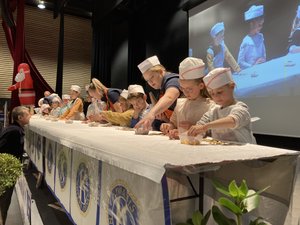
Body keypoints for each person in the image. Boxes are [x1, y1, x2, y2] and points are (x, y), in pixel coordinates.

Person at [188, 67, 256, 144]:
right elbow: (200, 127)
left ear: (232, 87)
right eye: (212, 94)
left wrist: (205, 127)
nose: (216, 97)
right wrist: (191, 133)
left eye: (219, 92)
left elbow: (232, 121)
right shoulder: (213, 111)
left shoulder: (240, 108)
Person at [160, 57, 214, 139]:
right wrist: (169, 126)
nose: (185, 92)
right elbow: (173, 123)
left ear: (201, 86)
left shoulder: (211, 106)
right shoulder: (180, 103)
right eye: (182, 88)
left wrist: (194, 128)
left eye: (189, 89)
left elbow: (215, 132)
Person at [0, 106, 31, 225]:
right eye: (27, 114)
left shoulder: (14, 129)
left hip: (8, 168)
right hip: (6, 170)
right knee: (4, 200)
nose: (30, 116)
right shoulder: (14, 131)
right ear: (20, 117)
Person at [135, 55, 181, 131]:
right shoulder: (160, 88)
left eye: (152, 77)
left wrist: (151, 114)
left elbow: (170, 97)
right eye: (147, 81)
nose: (150, 82)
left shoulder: (172, 80)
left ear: (160, 71)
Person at [238, 5, 266, 70]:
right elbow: (240, 62)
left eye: (262, 25)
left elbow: (263, 54)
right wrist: (253, 66)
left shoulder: (260, 37)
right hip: (250, 72)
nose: (261, 27)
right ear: (252, 24)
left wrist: (262, 60)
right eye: (259, 25)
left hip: (261, 68)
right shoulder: (246, 41)